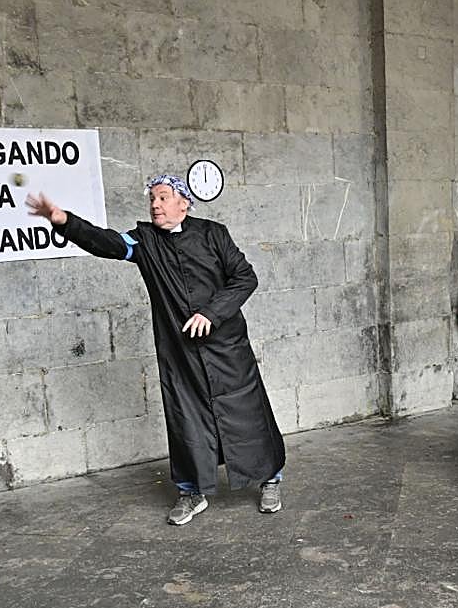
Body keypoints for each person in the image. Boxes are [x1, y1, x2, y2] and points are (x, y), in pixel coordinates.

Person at [25, 174, 286, 525]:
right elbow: (109, 243)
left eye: (163, 198)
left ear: (184, 202)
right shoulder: (145, 241)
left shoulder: (214, 234)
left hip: (227, 347)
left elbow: (245, 277)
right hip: (180, 352)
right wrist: (64, 221)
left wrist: (211, 313)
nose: (155, 205)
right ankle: (191, 492)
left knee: (247, 412)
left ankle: (270, 478)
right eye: (152, 199)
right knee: (187, 419)